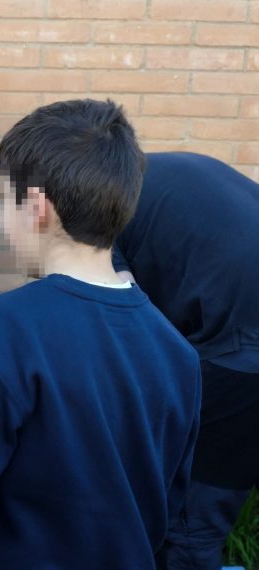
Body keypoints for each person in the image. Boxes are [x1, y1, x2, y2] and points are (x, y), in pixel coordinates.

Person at [0, 99, 201, 569]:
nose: (1, 220)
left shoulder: (4, 331)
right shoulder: (177, 352)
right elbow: (171, 508)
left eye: (4, 199)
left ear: (37, 207)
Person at [113, 152, 259, 569]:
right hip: (241, 333)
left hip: (242, 354)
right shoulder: (166, 171)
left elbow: (116, 324)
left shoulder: (96, 212)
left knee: (188, 530)